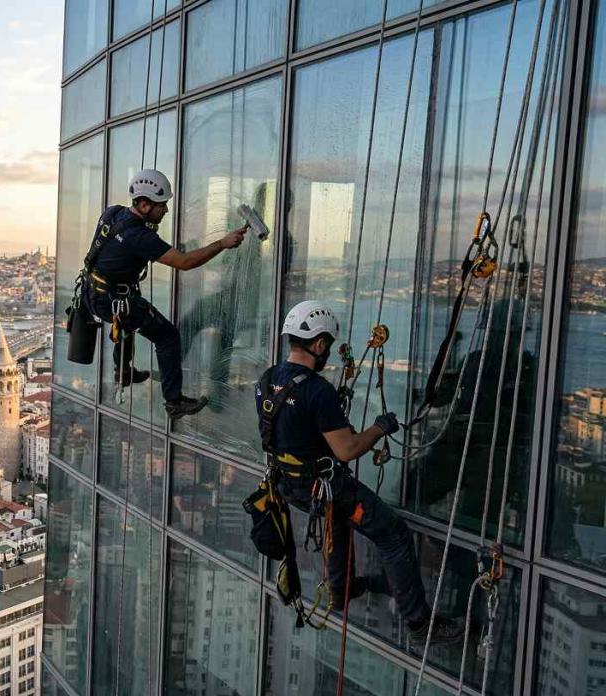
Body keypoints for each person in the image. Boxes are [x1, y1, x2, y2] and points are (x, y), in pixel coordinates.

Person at [255, 300, 464, 646]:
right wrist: (380, 428)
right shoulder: (316, 391)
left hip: (289, 486)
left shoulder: (267, 380)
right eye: (328, 347)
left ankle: (340, 588)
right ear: (319, 344)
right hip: (322, 487)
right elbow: (346, 450)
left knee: (337, 519)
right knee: (393, 533)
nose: (328, 354)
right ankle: (420, 624)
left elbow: (291, 430)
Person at [81, 168, 248, 419]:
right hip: (114, 299)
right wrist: (222, 244)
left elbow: (120, 250)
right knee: (167, 336)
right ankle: (174, 402)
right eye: (162, 206)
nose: (166, 211)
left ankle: (123, 372)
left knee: (127, 321)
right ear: (145, 205)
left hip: (93, 293)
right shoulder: (139, 236)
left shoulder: (113, 213)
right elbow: (185, 263)